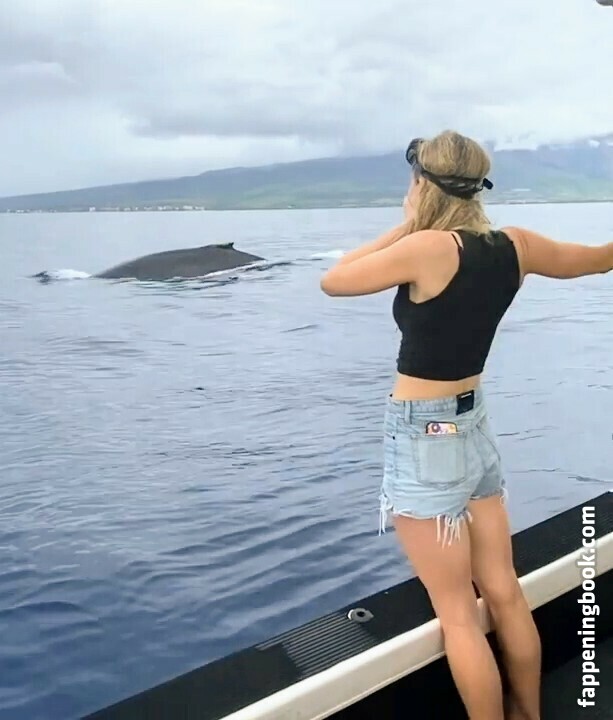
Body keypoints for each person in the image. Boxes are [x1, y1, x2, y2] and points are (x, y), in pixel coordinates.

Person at [320, 130, 613, 720]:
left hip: (424, 435)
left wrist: (410, 223)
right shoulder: (517, 246)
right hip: (472, 427)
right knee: (503, 590)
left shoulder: (425, 248)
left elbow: (335, 279)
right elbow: (597, 259)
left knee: (457, 614)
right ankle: (528, 713)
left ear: (422, 183)